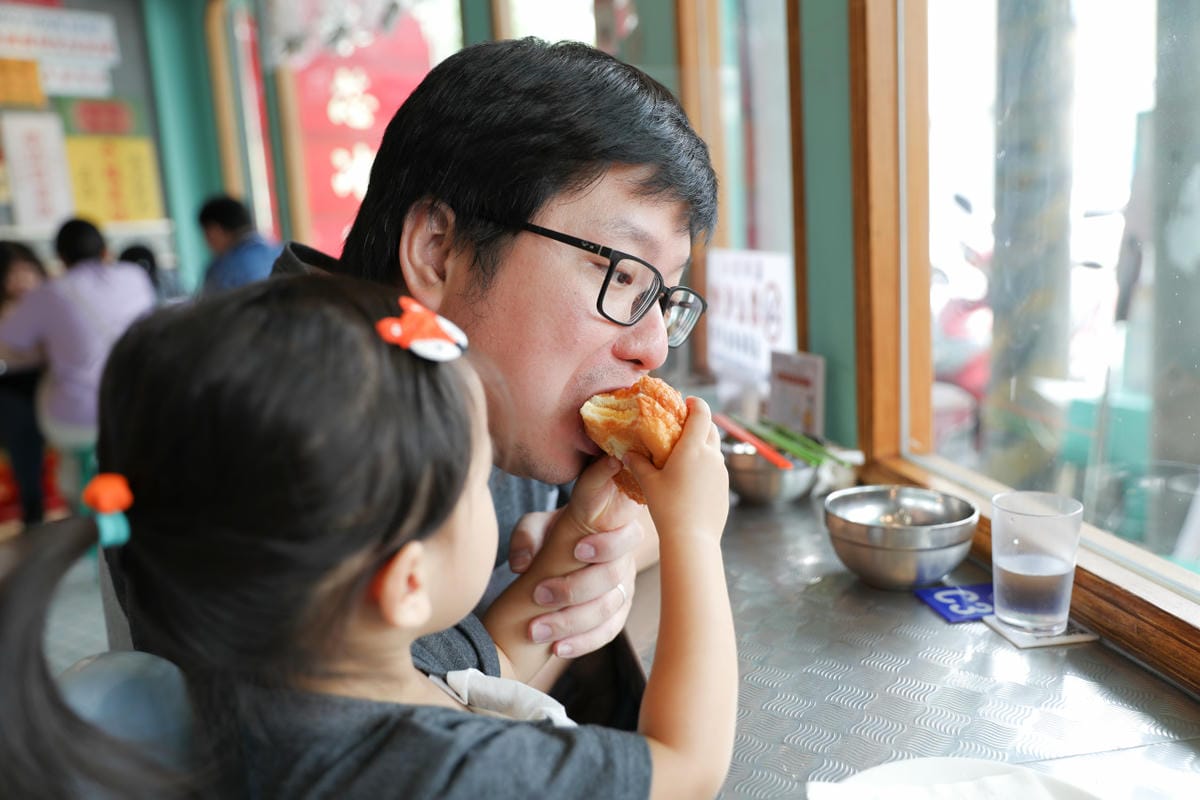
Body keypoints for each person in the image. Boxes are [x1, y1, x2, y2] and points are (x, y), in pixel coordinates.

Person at [0, 275, 735, 799]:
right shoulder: (454, 773)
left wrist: (581, 522)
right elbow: (687, 765)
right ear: (406, 582)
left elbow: (495, 661)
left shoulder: (294, 676)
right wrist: (694, 534)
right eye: (477, 482)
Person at [272, 37, 718, 666]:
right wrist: (552, 588)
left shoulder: (472, 359)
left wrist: (606, 542)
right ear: (438, 250)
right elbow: (435, 726)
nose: (651, 348)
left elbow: (625, 517)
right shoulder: (279, 437)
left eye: (661, 296)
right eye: (620, 275)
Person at [0, 219, 156, 509]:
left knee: (43, 391)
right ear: (106, 251)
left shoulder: (49, 294)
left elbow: (11, 343)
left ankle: (72, 502)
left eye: (25, 271)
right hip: (138, 406)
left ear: (59, 259)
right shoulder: (134, 276)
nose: (20, 280)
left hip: (77, 420)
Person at [0, 241, 49, 526]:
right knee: (24, 440)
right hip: (11, 386)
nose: (21, 281)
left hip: (52, 382)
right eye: (11, 274)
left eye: (26, 272)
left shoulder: (51, 302)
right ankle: (33, 508)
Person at [198, 194, 281, 294]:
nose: (206, 242)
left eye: (206, 234)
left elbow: (206, 306)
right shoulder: (280, 252)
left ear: (215, 231)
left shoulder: (222, 269)